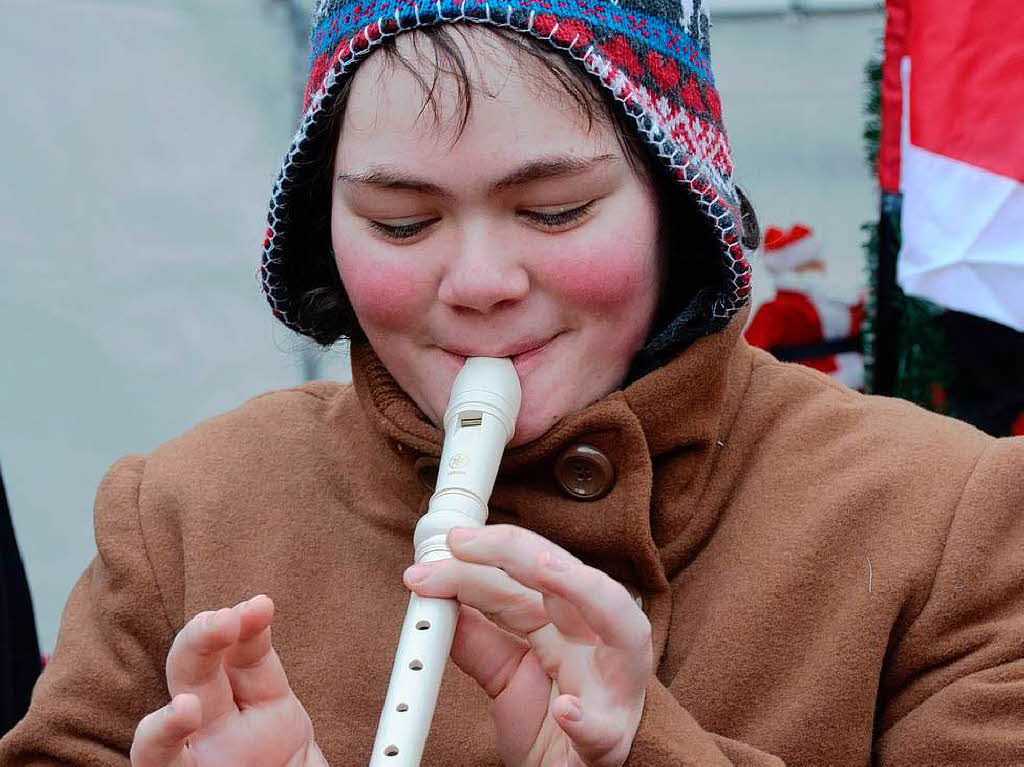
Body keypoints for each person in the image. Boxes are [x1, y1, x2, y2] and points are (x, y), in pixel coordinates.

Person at [3, 0, 1023, 764]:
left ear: (679, 204)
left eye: (555, 211)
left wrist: (646, 749)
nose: (480, 284)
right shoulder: (183, 512)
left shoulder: (948, 516)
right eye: (401, 222)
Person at [744, 224, 865, 390]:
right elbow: (747, 359)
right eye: (812, 264)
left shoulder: (839, 303)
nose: (821, 268)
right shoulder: (774, 311)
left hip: (853, 383)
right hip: (809, 389)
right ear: (794, 271)